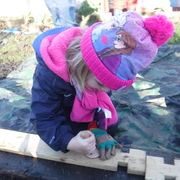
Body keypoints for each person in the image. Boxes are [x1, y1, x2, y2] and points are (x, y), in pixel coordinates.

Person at [30, 11, 174, 160]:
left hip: (77, 97)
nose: (105, 91)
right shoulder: (48, 75)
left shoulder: (93, 78)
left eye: (110, 86)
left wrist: (97, 128)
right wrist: (69, 142)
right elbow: (44, 117)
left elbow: (99, 106)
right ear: (85, 64)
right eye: (101, 83)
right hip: (57, 111)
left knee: (111, 125)